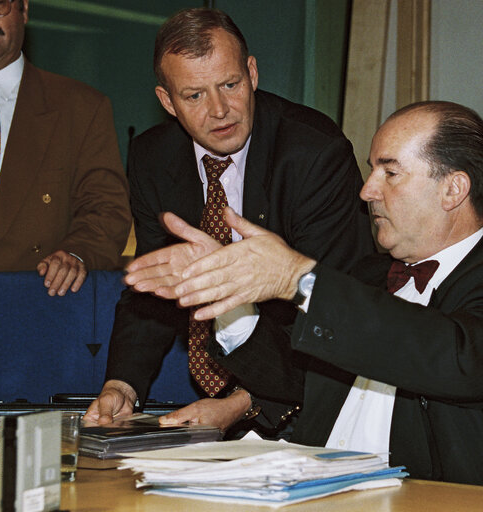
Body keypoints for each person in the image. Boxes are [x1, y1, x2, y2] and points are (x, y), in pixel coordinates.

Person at [122, 101, 483, 489]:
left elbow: (446, 355)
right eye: (372, 171)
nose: (368, 190)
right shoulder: (365, 278)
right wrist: (229, 295)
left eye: (390, 172)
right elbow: (291, 383)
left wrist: (299, 279)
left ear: (453, 189)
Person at [84, 8, 373, 433]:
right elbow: (153, 289)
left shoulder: (314, 154)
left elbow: (334, 311)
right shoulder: (151, 157)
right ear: (167, 101)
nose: (219, 110)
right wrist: (122, 384)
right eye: (194, 95)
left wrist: (245, 403)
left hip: (309, 401)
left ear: (252, 73)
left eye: (230, 85)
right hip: (206, 394)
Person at [0, 0, 131, 404]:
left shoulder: (81, 107)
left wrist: (78, 253)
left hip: (33, 333)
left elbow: (107, 211)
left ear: (24, 10)